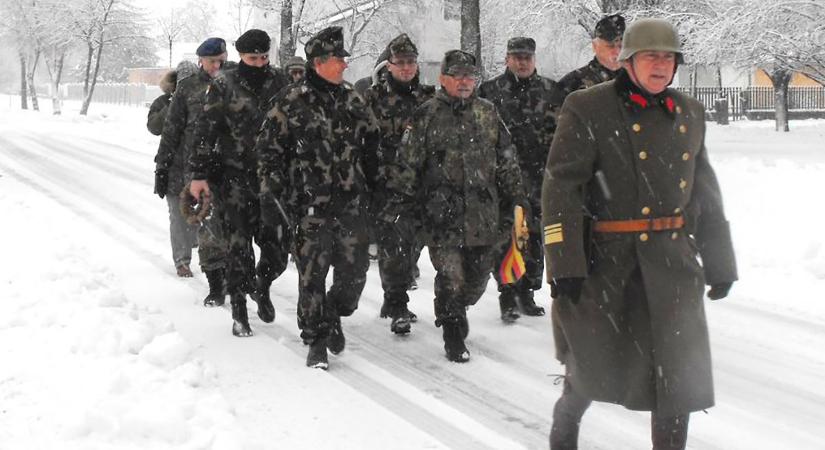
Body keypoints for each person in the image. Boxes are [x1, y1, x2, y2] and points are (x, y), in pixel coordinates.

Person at [542, 19, 737, 449]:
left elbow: (704, 189)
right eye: (651, 56)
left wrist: (719, 260)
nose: (660, 65)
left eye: (668, 57)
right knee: (589, 369)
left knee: (677, 378)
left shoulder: (688, 112)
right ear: (627, 61)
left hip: (673, 265)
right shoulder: (587, 106)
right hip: (607, 266)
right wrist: (565, 263)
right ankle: (565, 431)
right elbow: (562, 188)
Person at [384, 50, 525, 362]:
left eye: (469, 76)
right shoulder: (426, 115)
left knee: (476, 280)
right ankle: (453, 332)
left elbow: (507, 157)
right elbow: (407, 163)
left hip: (482, 214)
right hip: (440, 214)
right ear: (443, 78)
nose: (464, 81)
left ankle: (458, 308)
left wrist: (517, 197)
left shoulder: (488, 112)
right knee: (451, 277)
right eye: (457, 75)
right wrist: (401, 203)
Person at [256, 26, 380, 369]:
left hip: (351, 204)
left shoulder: (354, 99)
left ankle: (333, 311)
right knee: (312, 275)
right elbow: (268, 152)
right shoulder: (290, 101)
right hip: (308, 206)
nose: (343, 65)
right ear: (319, 62)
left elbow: (373, 147)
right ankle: (316, 339)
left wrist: (378, 188)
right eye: (338, 59)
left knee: (353, 277)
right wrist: (273, 194)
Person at [189, 29, 290, 337]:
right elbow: (205, 131)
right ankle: (239, 310)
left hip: (274, 180)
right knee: (238, 246)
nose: (259, 64)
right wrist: (198, 174)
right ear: (240, 56)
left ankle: (262, 283)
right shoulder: (224, 85)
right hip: (234, 177)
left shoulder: (282, 83)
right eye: (251, 58)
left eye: (263, 57)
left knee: (277, 247)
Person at [479, 36, 556, 322]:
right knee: (507, 237)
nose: (522, 62)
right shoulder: (490, 91)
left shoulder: (551, 91)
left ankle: (528, 291)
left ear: (534, 59)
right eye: (516, 57)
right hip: (503, 177)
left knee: (534, 236)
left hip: (540, 176)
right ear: (507, 58)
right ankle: (507, 293)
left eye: (527, 57)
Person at [364, 33, 435, 335]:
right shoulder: (372, 99)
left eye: (411, 62)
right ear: (389, 65)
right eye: (400, 63)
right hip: (387, 186)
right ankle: (397, 304)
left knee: (413, 247)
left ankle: (394, 296)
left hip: (420, 186)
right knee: (393, 247)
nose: (406, 68)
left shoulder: (430, 99)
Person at [154, 38, 229, 299]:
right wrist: (162, 167)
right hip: (192, 168)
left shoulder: (233, 83)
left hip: (228, 168)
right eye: (212, 61)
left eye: (221, 59)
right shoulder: (188, 88)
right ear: (201, 61)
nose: (217, 65)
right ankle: (196, 269)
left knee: (224, 225)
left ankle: (226, 273)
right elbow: (171, 130)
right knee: (194, 221)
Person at [149, 60, 199, 277]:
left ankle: (206, 256)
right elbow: (154, 127)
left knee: (202, 217)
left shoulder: (206, 100)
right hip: (173, 168)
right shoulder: (163, 102)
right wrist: (174, 103)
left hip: (201, 167)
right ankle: (182, 260)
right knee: (178, 218)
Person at [552, 14, 625, 108]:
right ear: (595, 46)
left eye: (621, 46)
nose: (617, 52)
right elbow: (553, 119)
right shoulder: (573, 84)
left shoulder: (638, 80)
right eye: (610, 46)